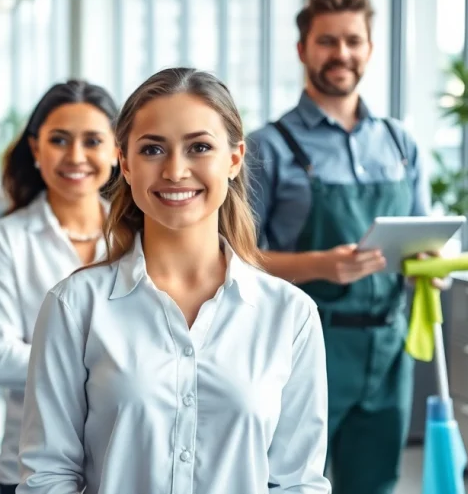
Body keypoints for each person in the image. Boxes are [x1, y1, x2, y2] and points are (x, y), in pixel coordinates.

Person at [17, 68, 330, 494]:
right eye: (152, 150)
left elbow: (298, 483)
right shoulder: (75, 306)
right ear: (124, 163)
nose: (176, 170)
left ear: (234, 159)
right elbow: (47, 477)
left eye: (200, 147)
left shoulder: (290, 315)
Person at [245, 0, 434, 494]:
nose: (342, 53)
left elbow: (420, 240)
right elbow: (236, 260)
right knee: (291, 481)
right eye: (327, 41)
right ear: (303, 50)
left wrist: (431, 266)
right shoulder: (268, 147)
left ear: (370, 48)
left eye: (353, 40)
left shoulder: (400, 142)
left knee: (376, 483)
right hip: (306, 345)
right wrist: (320, 266)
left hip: (389, 346)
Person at [0, 79, 120, 494]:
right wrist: (112, 362)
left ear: (116, 150)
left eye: (92, 140)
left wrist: (60, 360)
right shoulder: (5, 239)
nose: (75, 156)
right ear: (36, 150)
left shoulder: (139, 238)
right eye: (59, 140)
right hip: (30, 467)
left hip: (124, 469)